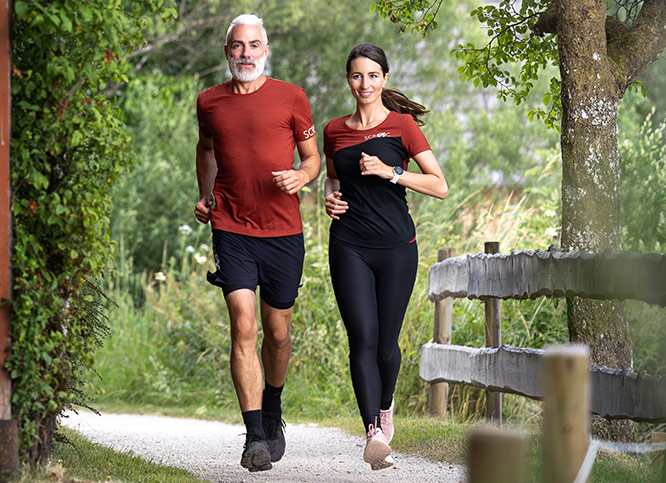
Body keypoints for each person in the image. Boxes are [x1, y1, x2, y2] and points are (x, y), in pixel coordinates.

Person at [194, 13, 320, 473]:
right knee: (243, 326)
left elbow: (312, 159)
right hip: (232, 227)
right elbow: (205, 148)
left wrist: (301, 177)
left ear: (265, 51)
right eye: (236, 46)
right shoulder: (209, 102)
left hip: (283, 231)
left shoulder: (291, 97)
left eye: (253, 45)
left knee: (278, 332)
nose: (245, 53)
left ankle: (273, 407)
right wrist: (205, 195)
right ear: (227, 52)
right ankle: (253, 439)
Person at [323, 43, 448, 470]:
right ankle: (373, 433)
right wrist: (329, 199)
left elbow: (439, 185)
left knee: (386, 345)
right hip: (349, 245)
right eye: (357, 76)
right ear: (349, 80)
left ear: (385, 79)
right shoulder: (334, 129)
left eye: (373, 76)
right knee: (363, 337)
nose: (365, 84)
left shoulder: (403, 126)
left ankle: (386, 404)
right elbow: (332, 177)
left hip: (397, 248)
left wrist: (392, 173)